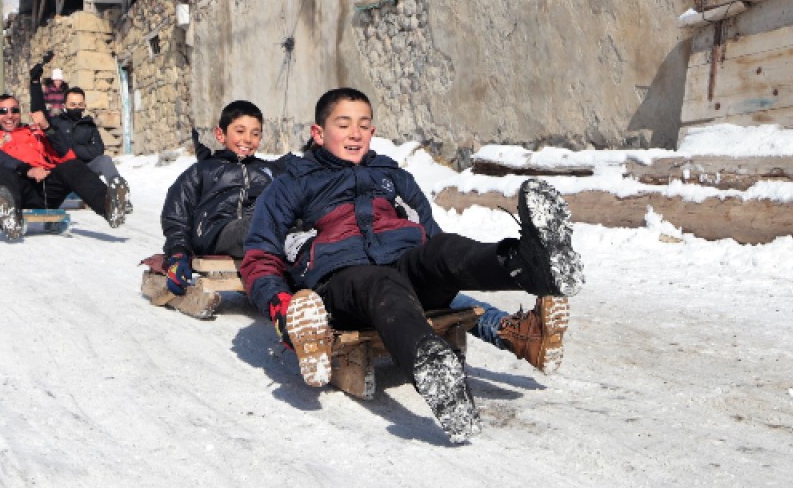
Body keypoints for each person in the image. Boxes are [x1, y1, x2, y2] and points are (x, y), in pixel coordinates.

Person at [241, 87, 584, 444]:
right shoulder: (290, 186)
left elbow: (431, 237)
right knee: (382, 283)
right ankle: (432, 366)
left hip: (404, 267)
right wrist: (281, 305)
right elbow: (259, 258)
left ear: (373, 132)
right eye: (343, 125)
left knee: (444, 249)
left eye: (363, 124)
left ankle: (529, 265)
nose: (355, 133)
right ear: (319, 132)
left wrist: (442, 262)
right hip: (343, 283)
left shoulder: (394, 177)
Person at [159, 100, 287, 299]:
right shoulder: (204, 170)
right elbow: (177, 213)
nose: (248, 139)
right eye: (240, 131)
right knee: (261, 220)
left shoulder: (267, 170)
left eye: (255, 133)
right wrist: (178, 252)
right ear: (221, 134)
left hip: (260, 229)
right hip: (218, 232)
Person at [0, 94, 126, 239]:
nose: (9, 115)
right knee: (5, 171)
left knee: (72, 166)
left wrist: (47, 128)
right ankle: (9, 215)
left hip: (45, 190)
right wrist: (27, 170)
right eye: (3, 111)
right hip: (15, 191)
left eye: (14, 110)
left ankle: (109, 207)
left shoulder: (33, 132)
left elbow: (66, 154)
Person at [29, 61, 131, 225]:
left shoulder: (88, 124)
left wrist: (73, 150)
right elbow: (38, 112)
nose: (76, 107)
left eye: (79, 104)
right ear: (64, 106)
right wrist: (35, 83)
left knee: (105, 160)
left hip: (84, 168)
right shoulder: (56, 122)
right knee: (72, 167)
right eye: (72, 105)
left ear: (84, 105)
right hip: (62, 169)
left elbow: (97, 150)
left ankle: (117, 195)